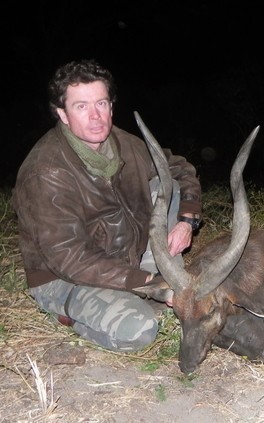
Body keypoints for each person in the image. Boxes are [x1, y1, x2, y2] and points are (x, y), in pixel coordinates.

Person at [11, 59, 202, 352]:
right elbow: (71, 259)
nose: (95, 116)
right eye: (81, 106)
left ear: (111, 106)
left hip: (126, 259)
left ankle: (156, 273)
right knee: (139, 329)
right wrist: (149, 283)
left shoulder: (125, 144)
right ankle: (66, 315)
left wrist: (187, 221)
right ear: (62, 113)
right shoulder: (46, 172)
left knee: (166, 183)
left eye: (101, 103)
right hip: (65, 278)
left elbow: (179, 169)